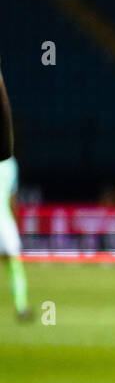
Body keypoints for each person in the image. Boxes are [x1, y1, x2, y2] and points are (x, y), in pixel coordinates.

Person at [0, 59, 32, 321]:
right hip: (5, 224)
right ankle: (21, 305)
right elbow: (12, 200)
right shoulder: (11, 164)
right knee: (14, 265)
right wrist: (17, 220)